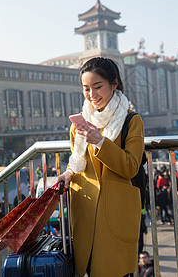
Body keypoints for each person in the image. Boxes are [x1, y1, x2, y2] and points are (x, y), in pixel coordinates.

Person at [57, 57, 144, 277]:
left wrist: (100, 142)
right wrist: (68, 174)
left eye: (98, 87)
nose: (92, 94)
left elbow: (130, 167)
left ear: (114, 84)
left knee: (111, 270)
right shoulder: (79, 123)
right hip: (84, 210)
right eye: (86, 88)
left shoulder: (131, 121)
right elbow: (78, 162)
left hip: (114, 213)